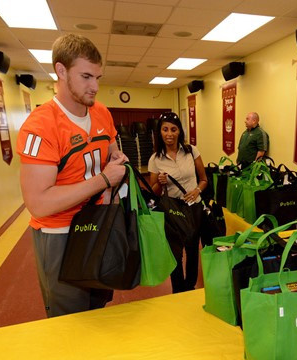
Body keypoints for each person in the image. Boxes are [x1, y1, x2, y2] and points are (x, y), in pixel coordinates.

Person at [17, 34, 128, 317]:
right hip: (60, 234)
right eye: (87, 77)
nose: (95, 87)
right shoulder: (40, 126)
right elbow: (39, 203)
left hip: (98, 223)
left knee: (97, 307)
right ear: (61, 70)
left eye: (98, 77)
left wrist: (117, 159)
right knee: (70, 318)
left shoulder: (101, 112)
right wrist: (104, 180)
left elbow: (111, 149)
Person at [148, 112, 208, 293]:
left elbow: (204, 180)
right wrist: (159, 181)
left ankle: (189, 287)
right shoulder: (155, 159)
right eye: (165, 129)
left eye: (173, 129)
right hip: (172, 211)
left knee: (192, 251)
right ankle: (178, 291)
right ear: (159, 132)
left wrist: (197, 190)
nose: (169, 134)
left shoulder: (191, 151)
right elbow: (153, 192)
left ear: (179, 132)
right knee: (174, 254)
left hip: (193, 207)